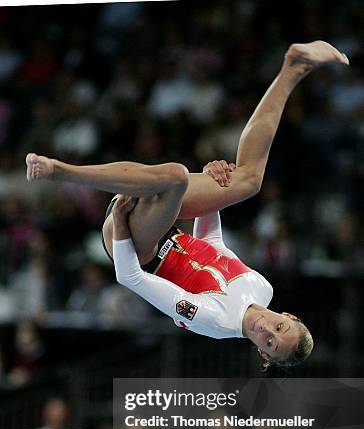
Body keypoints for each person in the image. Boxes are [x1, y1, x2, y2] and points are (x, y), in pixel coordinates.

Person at [26, 42, 349, 367]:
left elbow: (130, 278)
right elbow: (211, 244)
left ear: (263, 354)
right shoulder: (261, 287)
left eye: (270, 343)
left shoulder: (216, 322)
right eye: (280, 327)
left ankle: (61, 171)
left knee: (176, 178)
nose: (267, 330)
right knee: (247, 180)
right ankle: (292, 68)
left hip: (137, 247)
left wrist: (120, 220)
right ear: (287, 315)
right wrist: (214, 189)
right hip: (167, 227)